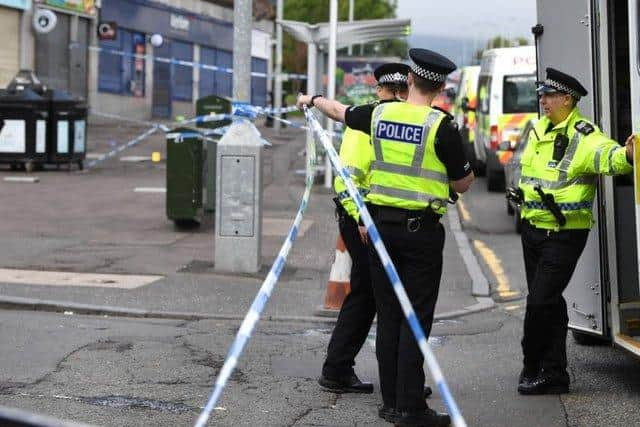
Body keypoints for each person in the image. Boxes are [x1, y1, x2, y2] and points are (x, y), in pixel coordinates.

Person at [298, 48, 474, 427]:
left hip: (380, 231)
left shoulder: (377, 115)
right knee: (414, 318)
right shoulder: (441, 126)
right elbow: (463, 182)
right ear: (441, 87)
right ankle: (409, 407)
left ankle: (392, 401)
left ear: (409, 80)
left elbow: (338, 111)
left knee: (391, 316)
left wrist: (310, 100)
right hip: (421, 234)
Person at [513, 67, 635, 395]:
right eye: (541, 94)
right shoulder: (538, 129)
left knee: (540, 302)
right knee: (549, 302)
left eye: (549, 95)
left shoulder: (584, 135)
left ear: (567, 99)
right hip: (532, 230)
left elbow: (608, 156)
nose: (543, 100)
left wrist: (627, 154)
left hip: (563, 235)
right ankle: (554, 374)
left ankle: (532, 364)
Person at [319, 63, 411, 395]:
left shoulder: (391, 120)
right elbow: (348, 178)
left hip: (378, 218)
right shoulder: (367, 123)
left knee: (372, 294)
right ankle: (339, 368)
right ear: (396, 92)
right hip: (364, 219)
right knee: (369, 294)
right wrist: (360, 218)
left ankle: (392, 377)